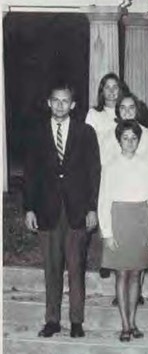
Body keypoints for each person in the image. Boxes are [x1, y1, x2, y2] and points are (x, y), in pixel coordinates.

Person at [24, 82, 100, 338]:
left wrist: (92, 208)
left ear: (73, 105)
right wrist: (29, 209)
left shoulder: (85, 132)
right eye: (55, 100)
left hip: (76, 210)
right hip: (47, 210)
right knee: (52, 267)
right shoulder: (36, 133)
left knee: (76, 266)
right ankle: (52, 320)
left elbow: (93, 173)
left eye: (65, 101)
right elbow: (30, 175)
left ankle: (76, 321)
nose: (60, 105)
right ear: (48, 103)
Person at [98, 120, 148, 341]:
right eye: (125, 138)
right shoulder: (110, 166)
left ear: (138, 141)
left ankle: (133, 322)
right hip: (119, 219)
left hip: (141, 219)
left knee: (136, 273)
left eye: (134, 138)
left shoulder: (146, 165)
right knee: (122, 273)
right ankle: (124, 324)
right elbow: (103, 201)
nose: (130, 142)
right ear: (119, 140)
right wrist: (107, 233)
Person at [86, 72, 128, 146]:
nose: (111, 91)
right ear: (102, 91)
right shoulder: (93, 113)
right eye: (107, 87)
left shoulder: (126, 112)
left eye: (115, 87)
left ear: (120, 90)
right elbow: (88, 141)